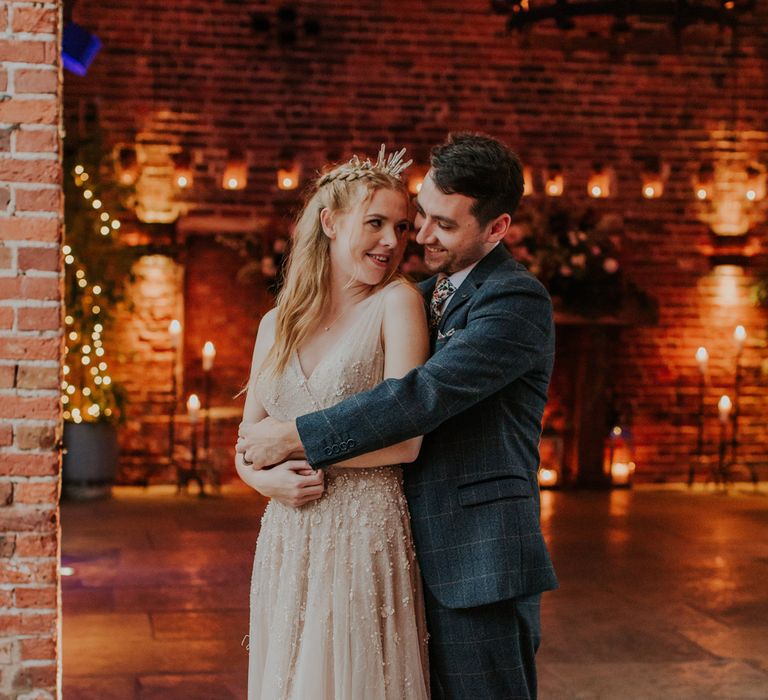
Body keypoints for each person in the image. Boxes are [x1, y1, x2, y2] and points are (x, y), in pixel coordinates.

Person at [238, 132, 558, 699]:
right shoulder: (418, 293)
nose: (421, 236)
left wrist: (290, 438)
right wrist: (259, 472)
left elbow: (419, 397)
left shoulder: (514, 301)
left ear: (497, 228)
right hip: (391, 549)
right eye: (422, 216)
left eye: (444, 224)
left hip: (473, 558)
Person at [236, 146, 431, 699]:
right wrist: (261, 479)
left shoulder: (397, 304)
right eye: (376, 223)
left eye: (401, 227)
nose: (392, 242)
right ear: (329, 221)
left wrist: (294, 451)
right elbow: (247, 442)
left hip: (363, 528)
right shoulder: (276, 323)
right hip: (286, 533)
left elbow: (408, 439)